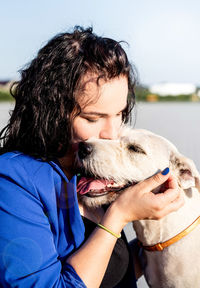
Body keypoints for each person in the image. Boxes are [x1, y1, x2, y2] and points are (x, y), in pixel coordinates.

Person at [0, 26, 184, 288]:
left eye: (119, 114)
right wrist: (118, 216)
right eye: (92, 118)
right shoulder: (12, 182)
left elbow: (107, 271)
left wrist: (172, 237)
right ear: (52, 111)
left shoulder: (94, 175)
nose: (111, 134)